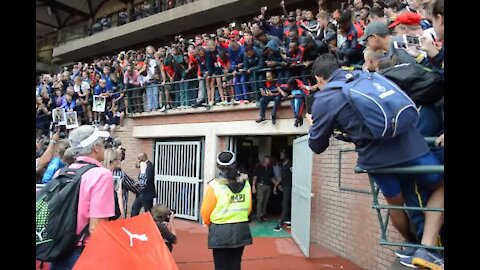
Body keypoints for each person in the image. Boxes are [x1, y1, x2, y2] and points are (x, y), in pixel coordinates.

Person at [306, 53, 444, 269]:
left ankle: (415, 246)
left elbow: (317, 145)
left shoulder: (325, 98)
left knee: (394, 204)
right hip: (411, 146)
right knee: (441, 185)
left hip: (377, 159)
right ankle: (426, 246)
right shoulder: (365, 76)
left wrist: (312, 125)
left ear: (318, 78)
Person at [50, 125, 114, 269]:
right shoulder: (101, 175)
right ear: (96, 148)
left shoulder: (61, 172)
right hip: (82, 253)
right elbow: (96, 227)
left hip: (58, 249)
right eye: (102, 143)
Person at [200, 151, 252, 270]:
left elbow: (205, 211)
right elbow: (248, 208)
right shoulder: (246, 183)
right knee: (235, 264)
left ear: (218, 166)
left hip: (220, 231)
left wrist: (209, 223)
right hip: (241, 228)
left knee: (221, 266)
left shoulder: (215, 185)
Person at [252, 156, 276, 222]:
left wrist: (276, 185)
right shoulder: (259, 167)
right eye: (268, 160)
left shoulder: (270, 168)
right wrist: (253, 186)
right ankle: (259, 216)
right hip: (261, 185)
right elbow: (255, 177)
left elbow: (272, 177)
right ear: (264, 160)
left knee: (265, 201)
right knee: (260, 200)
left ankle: (263, 215)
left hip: (268, 186)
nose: (269, 162)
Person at [273, 150, 292, 231]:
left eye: (282, 154)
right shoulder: (282, 165)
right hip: (284, 186)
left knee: (285, 203)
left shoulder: (290, 164)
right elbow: (281, 177)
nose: (280, 155)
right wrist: (276, 186)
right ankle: (288, 219)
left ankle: (281, 223)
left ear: (286, 155)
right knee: (285, 203)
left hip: (289, 186)